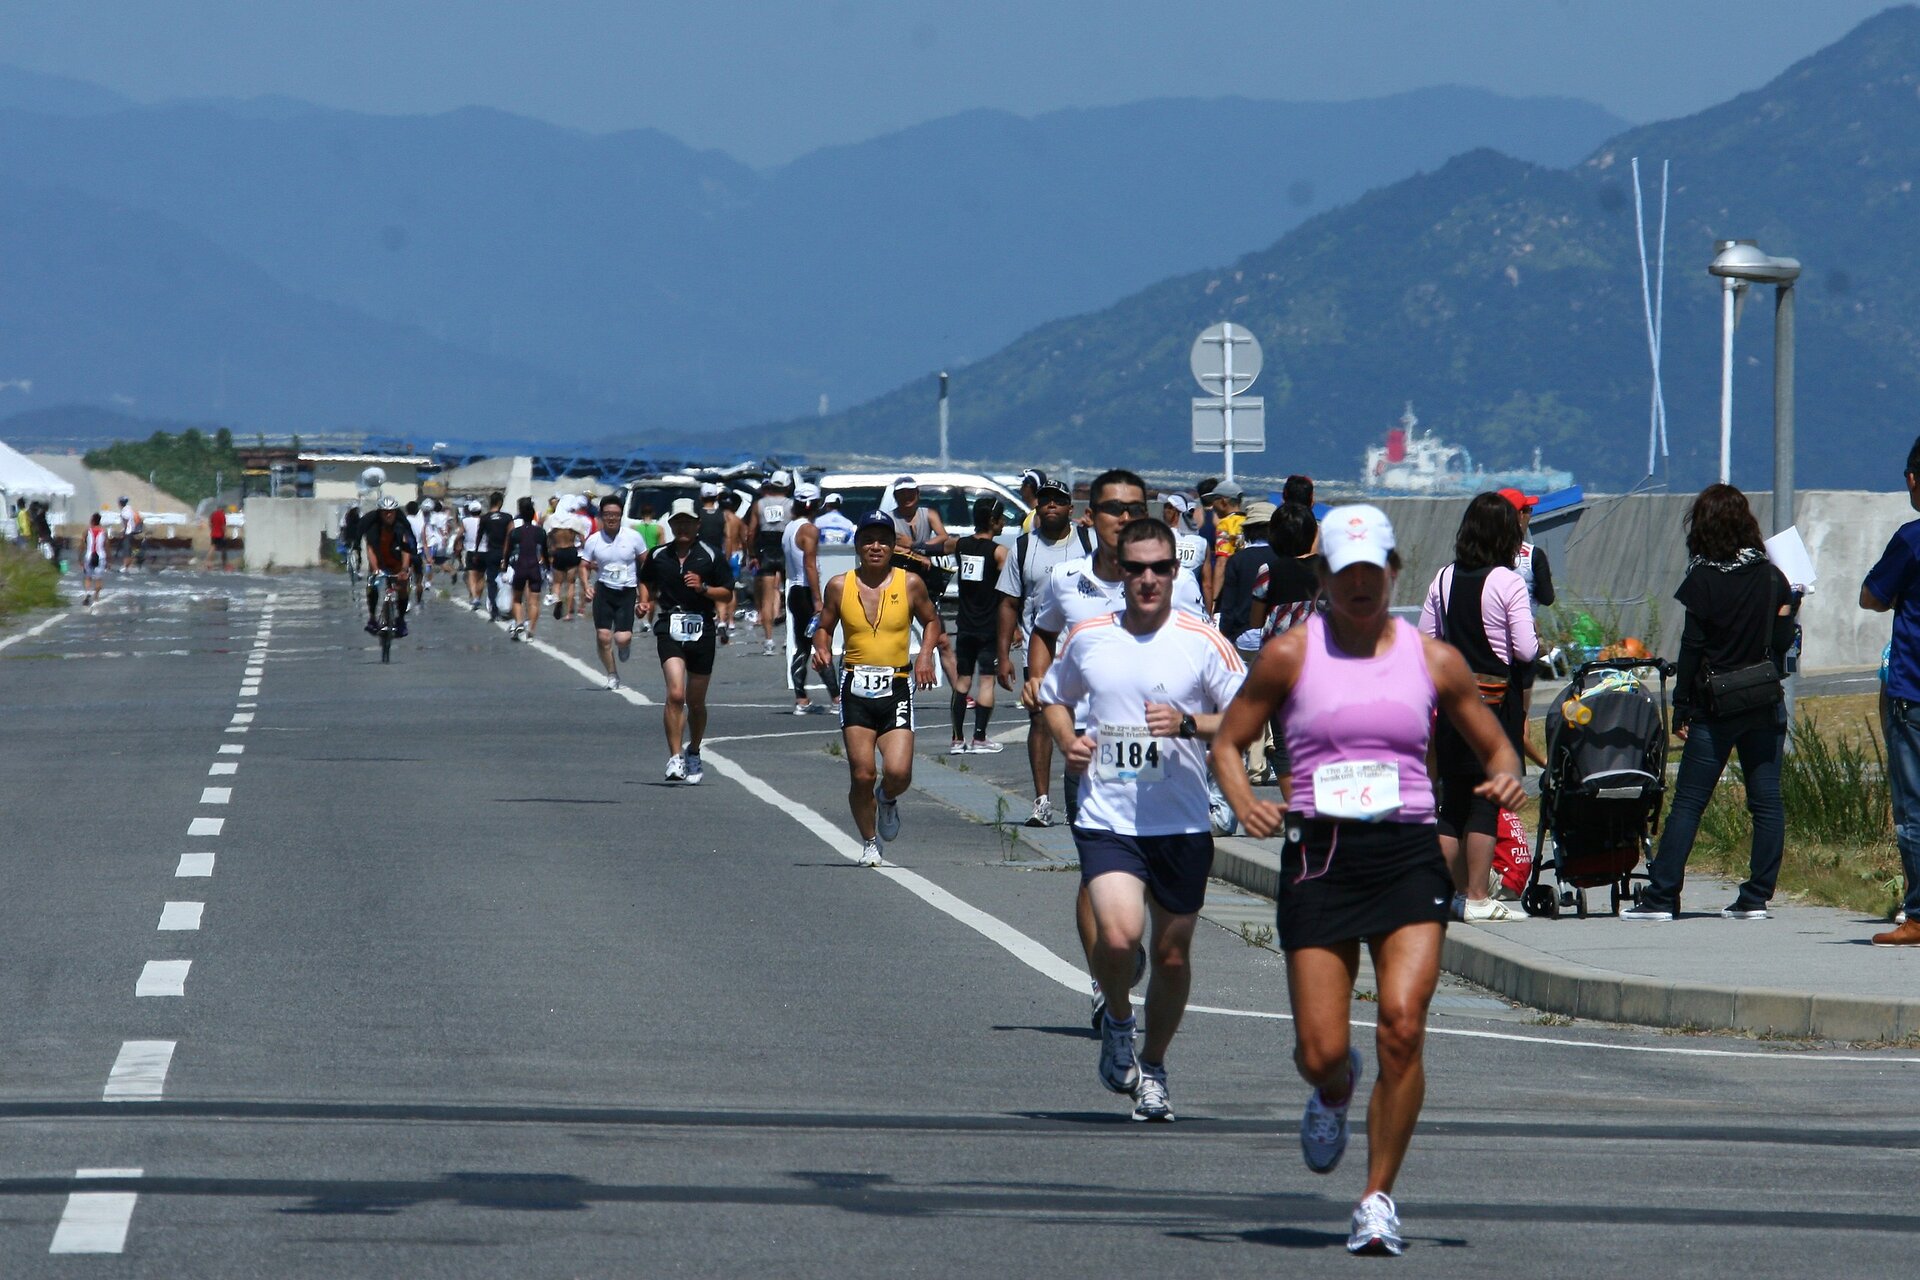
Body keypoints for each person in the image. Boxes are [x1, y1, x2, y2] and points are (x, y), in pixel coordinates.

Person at [1212, 503, 1524, 1257]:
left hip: (1408, 854)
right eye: (1343, 573)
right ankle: (1331, 1087)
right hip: (1320, 857)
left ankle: (1377, 1197)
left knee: (1403, 1027)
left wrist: (1507, 780)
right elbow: (1231, 739)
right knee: (1320, 1049)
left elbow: (1498, 747)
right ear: (1322, 577)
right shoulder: (1291, 653)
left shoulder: (1432, 657)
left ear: (1392, 574)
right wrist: (1245, 797)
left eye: (1371, 572)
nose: (1359, 586)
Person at [1039, 517, 1246, 1123]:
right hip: (1108, 817)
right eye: (1136, 569)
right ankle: (1120, 1023)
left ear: (1174, 571)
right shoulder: (1090, 636)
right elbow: (1052, 694)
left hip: (1180, 822)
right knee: (1121, 938)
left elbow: (1250, 717)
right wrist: (1066, 738)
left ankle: (1153, 1065)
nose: (1148, 579)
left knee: (1174, 955)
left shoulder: (1201, 640)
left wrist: (1188, 724)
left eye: (1160, 567)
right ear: (1120, 573)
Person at [1027, 469, 1208, 1028]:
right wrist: (1041, 691)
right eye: (1112, 509)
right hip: (1093, 754)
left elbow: (1203, 661)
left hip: (1167, 759)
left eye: (1134, 508)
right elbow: (1044, 632)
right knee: (1098, 879)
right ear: (1092, 516)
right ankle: (1105, 983)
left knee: (1159, 905)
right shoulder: (1066, 579)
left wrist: (1195, 729)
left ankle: (1122, 956)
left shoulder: (1179, 583)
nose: (1123, 518)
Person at [1623, 484, 1795, 922]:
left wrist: (1682, 707)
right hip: (1762, 699)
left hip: (1715, 706)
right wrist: (1789, 609)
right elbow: (1778, 646)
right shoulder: (1772, 577)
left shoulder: (1701, 578)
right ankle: (1755, 896)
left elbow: (1692, 648)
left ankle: (1662, 897)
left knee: (1689, 803)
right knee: (1766, 800)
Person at [1417, 493, 1537, 922]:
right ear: (1506, 533)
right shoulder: (1508, 581)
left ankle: (1449, 895)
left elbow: (1425, 638)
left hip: (1451, 704)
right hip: (1494, 702)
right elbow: (1524, 648)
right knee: (1488, 802)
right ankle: (1479, 897)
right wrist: (1542, 645)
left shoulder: (1444, 577)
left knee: (1452, 805)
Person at [811, 510, 944, 866]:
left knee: (899, 772)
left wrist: (926, 656)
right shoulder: (840, 585)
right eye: (868, 540)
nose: (875, 546)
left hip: (896, 685)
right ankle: (870, 841)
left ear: (892, 545)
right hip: (855, 684)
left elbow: (932, 621)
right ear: (857, 545)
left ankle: (887, 799)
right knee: (862, 772)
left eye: (883, 540)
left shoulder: (910, 583)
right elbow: (823, 625)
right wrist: (821, 646)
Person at [994, 476, 1094, 827]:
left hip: (1084, 649)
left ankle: (1080, 798)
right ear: (1037, 505)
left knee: (1082, 725)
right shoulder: (1022, 548)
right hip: (1041, 649)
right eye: (1045, 499)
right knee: (1040, 720)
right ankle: (1041, 800)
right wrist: (1003, 654)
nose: (1051, 505)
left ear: (1070, 507)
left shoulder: (1088, 542)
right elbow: (1008, 603)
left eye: (1058, 500)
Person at [1864, 436, 1920, 946]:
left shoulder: (1911, 540)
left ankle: (1919, 913)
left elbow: (1872, 596)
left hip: (1915, 689)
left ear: (1912, 480)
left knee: (1914, 809)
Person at [639, 498, 733, 783]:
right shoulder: (658, 556)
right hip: (669, 625)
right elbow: (645, 582)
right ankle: (675, 757)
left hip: (701, 626)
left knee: (696, 701)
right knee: (676, 694)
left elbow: (727, 593)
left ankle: (693, 750)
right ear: (670, 525)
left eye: (687, 522)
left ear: (697, 525)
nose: (682, 526)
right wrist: (643, 603)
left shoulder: (710, 555)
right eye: (677, 521)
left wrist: (703, 588)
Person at [948, 496, 1009, 753]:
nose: (1004, 522)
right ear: (993, 521)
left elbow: (937, 546)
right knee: (986, 681)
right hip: (988, 627)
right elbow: (1009, 592)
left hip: (964, 625)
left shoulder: (960, 545)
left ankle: (957, 739)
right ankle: (980, 738)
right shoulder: (999, 552)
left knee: (962, 681)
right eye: (1002, 518)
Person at [581, 494, 649, 690]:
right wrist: (586, 586)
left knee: (622, 638)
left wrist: (645, 595)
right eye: (608, 514)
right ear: (601, 516)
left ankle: (624, 646)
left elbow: (647, 563)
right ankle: (612, 674)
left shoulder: (633, 537)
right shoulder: (594, 540)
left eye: (616, 515)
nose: (612, 518)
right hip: (604, 590)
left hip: (627, 591)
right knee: (603, 636)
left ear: (621, 516)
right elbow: (583, 565)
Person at [781, 483, 836, 715]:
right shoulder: (809, 530)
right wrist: (817, 599)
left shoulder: (789, 528)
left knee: (802, 644)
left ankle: (801, 698)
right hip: (804, 590)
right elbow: (810, 565)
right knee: (820, 643)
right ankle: (837, 697)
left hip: (793, 590)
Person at [1216, 500, 1277, 659]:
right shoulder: (1282, 557)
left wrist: (1224, 637)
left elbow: (1228, 605)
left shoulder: (1237, 560)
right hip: (1273, 635)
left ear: (1248, 530)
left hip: (1242, 636)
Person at [746, 471, 794, 655]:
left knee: (766, 600)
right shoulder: (791, 505)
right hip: (785, 549)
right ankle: (789, 638)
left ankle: (769, 640)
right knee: (790, 596)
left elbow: (750, 533)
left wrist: (752, 554)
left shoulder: (760, 504)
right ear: (788, 486)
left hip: (766, 549)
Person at [359, 496, 417, 637]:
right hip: (379, 563)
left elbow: (405, 549)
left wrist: (404, 569)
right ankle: (372, 619)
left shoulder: (400, 527)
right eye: (385, 512)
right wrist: (375, 569)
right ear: (380, 513)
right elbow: (370, 549)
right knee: (372, 586)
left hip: (397, 563)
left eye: (391, 511)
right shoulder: (374, 528)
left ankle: (401, 621)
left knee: (403, 588)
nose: (388, 514)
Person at [504, 496, 548, 642]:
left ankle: (519, 622)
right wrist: (547, 567)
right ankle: (531, 631)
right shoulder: (540, 532)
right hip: (535, 567)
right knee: (534, 602)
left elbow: (509, 551)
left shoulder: (515, 533)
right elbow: (545, 552)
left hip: (520, 567)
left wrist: (505, 566)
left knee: (517, 599)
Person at [1202, 481, 1245, 610]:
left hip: (1231, 584)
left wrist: (1214, 599)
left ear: (1223, 502)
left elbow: (1222, 561)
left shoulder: (1225, 524)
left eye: (1214, 500)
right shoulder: (1249, 521)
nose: (1212, 506)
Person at [546, 498, 589, 622]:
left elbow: (548, 539)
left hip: (558, 551)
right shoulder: (574, 521)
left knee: (557, 583)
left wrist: (550, 551)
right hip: (571, 551)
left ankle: (557, 600)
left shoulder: (552, 520)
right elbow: (582, 539)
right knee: (570, 584)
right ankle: (569, 614)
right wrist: (582, 548)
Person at [474, 492, 512, 620]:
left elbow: (479, 536)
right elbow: (510, 535)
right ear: (500, 502)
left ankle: (494, 610)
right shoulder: (507, 517)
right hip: (505, 552)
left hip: (490, 552)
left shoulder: (484, 518)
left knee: (491, 582)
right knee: (507, 580)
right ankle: (508, 608)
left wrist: (475, 552)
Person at [1163, 493, 1209, 583]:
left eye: (1166, 507)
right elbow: (1207, 584)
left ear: (1173, 511)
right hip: (1192, 592)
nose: (1164, 511)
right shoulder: (1202, 542)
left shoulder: (1160, 537)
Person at [79, 512, 108, 605]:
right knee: (98, 578)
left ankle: (87, 593)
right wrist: (110, 559)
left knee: (88, 577)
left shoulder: (87, 531)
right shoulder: (104, 531)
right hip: (101, 556)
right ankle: (96, 597)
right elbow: (107, 546)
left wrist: (79, 557)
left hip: (89, 555)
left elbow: (82, 545)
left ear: (92, 520)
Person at [116, 496, 143, 571]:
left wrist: (123, 532)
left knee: (126, 550)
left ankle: (126, 566)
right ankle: (131, 564)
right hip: (133, 531)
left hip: (128, 532)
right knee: (131, 548)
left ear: (120, 503)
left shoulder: (125, 512)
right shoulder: (129, 509)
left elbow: (126, 523)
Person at [205, 504, 228, 571]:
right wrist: (225, 533)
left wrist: (212, 529)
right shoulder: (222, 515)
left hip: (213, 534)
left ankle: (208, 562)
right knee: (223, 548)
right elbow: (223, 526)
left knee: (213, 547)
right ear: (223, 509)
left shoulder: (213, 514)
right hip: (220, 534)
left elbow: (210, 524)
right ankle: (224, 563)